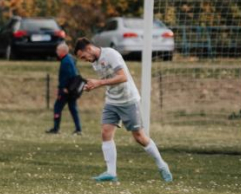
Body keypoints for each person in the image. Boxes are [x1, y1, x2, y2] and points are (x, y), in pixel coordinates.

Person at [74, 37, 172, 183]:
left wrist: (99, 83)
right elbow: (107, 81)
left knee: (139, 136)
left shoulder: (111, 55)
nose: (84, 59)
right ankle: (111, 173)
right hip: (112, 101)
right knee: (106, 132)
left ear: (89, 49)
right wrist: (93, 86)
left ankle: (162, 164)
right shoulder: (95, 62)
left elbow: (122, 77)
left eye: (83, 56)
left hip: (128, 100)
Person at [46, 42, 82, 135]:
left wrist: (65, 88)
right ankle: (78, 129)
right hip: (71, 89)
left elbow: (71, 75)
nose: (56, 52)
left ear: (63, 51)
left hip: (66, 90)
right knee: (73, 108)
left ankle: (56, 128)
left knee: (57, 107)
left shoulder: (66, 61)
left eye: (58, 50)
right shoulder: (70, 58)